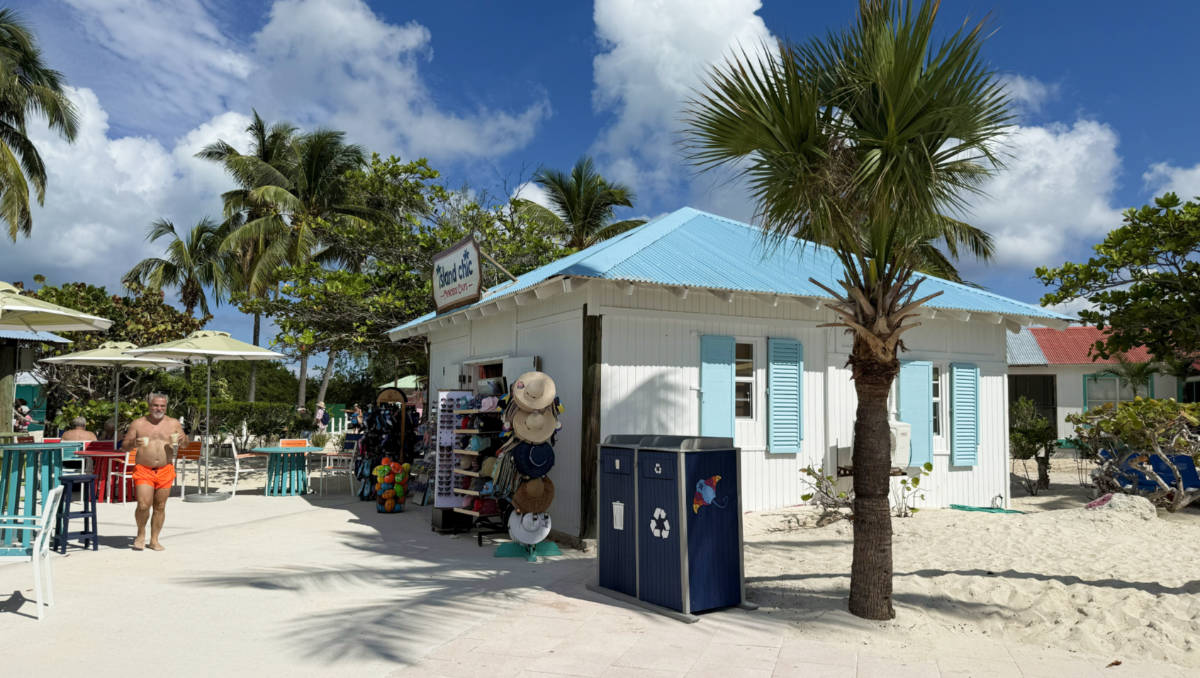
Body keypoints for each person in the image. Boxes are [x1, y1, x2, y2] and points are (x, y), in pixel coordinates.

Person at [121, 393, 185, 551]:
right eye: (156, 405)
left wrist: (183, 440)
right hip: (144, 469)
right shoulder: (138, 423)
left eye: (162, 406)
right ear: (149, 406)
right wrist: (134, 443)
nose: (159, 408)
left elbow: (185, 444)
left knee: (160, 506)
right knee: (143, 505)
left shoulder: (173, 423)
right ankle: (140, 534)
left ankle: (154, 540)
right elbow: (124, 446)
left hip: (165, 469)